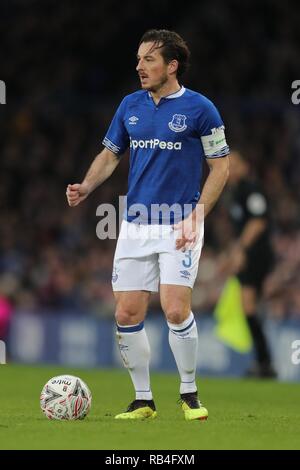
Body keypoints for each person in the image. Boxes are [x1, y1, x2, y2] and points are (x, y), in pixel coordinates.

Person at [66, 29, 230, 420]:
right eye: (139, 59)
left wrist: (198, 214)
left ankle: (189, 394)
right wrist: (87, 184)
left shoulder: (201, 109)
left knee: (175, 310)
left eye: (149, 60)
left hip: (180, 223)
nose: (139, 66)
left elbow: (221, 166)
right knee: (126, 314)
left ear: (172, 66)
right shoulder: (129, 106)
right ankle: (143, 400)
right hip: (136, 223)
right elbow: (110, 154)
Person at [222, 150, 276, 378]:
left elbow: (258, 221)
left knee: (249, 305)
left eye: (235, 164)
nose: (231, 169)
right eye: (227, 165)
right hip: (249, 253)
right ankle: (263, 362)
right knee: (250, 307)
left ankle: (265, 363)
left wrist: (240, 250)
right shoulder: (234, 193)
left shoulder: (250, 189)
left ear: (245, 167)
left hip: (257, 254)